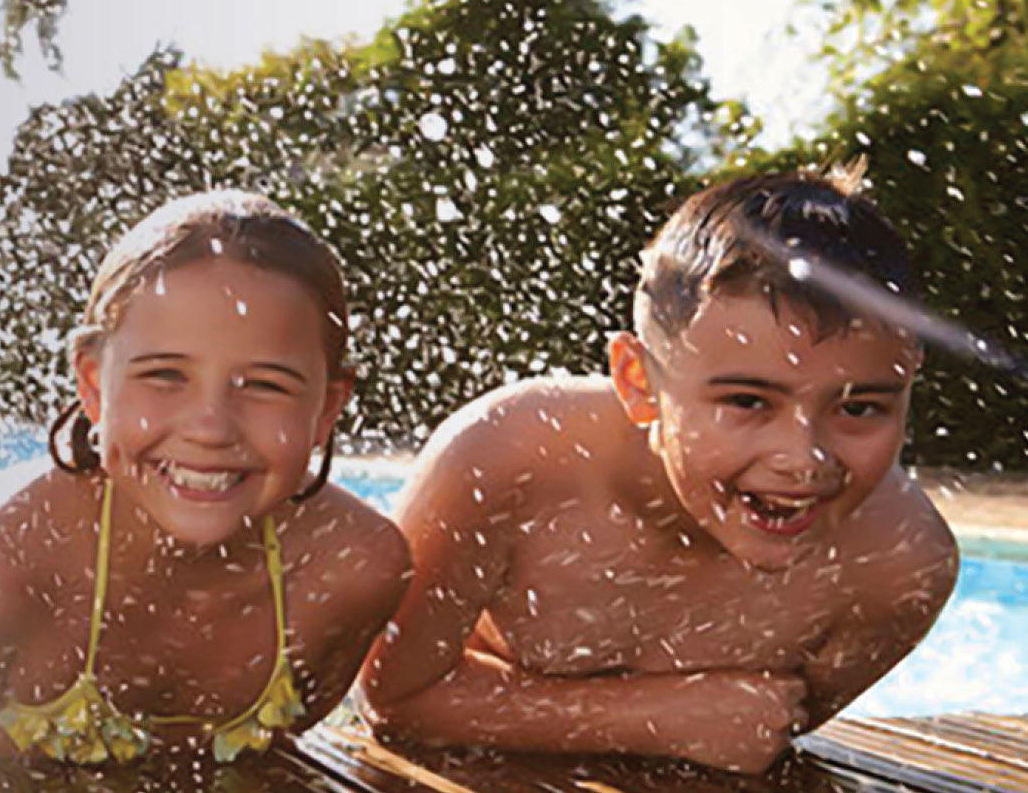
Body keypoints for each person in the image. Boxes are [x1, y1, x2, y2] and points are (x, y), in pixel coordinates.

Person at [361, 169, 960, 774]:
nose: (804, 459)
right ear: (638, 381)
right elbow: (393, 697)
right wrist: (656, 716)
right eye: (748, 402)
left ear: (910, 376)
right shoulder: (511, 455)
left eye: (859, 408)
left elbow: (754, 732)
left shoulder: (899, 567)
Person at [0, 190, 410, 769]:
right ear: (93, 386)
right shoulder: (6, 560)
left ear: (326, 408)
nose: (211, 427)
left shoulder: (352, 568)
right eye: (165, 375)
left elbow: (274, 756)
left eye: (265, 384)